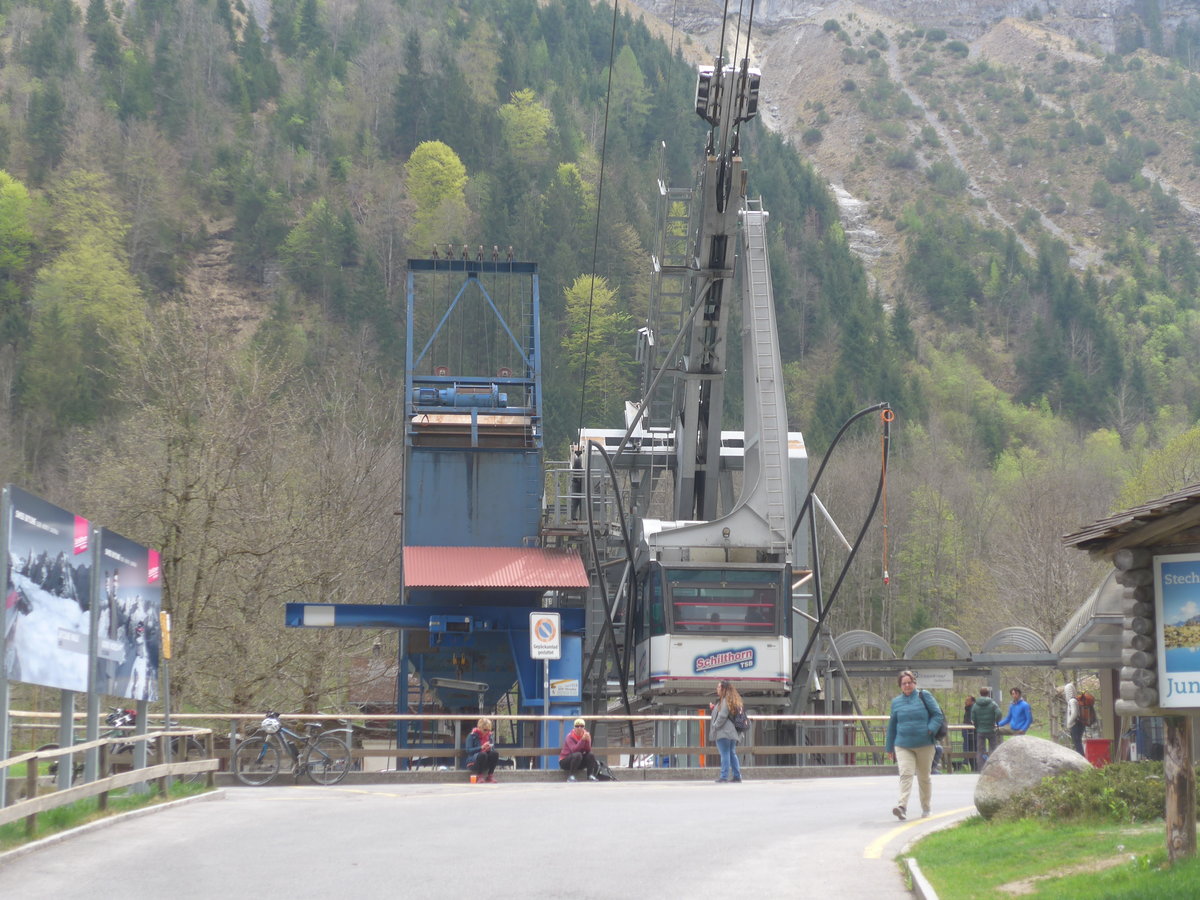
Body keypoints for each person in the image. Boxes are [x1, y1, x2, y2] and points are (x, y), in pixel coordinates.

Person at [885, 670, 942, 820]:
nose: (907, 685)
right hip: (903, 744)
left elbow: (937, 714)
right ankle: (902, 806)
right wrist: (889, 746)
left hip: (925, 744)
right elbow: (892, 724)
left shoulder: (925, 696)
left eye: (909, 682)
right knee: (906, 774)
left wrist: (931, 728)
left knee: (924, 777)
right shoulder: (896, 702)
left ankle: (926, 808)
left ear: (914, 683)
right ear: (900, 686)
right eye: (904, 683)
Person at [709, 680, 743, 783]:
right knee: (732, 753)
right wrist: (714, 708)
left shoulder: (725, 700)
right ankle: (737, 776)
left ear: (723, 689)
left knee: (725, 754)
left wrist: (715, 726)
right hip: (732, 733)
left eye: (719, 687)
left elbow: (723, 715)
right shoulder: (732, 700)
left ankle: (724, 776)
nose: (717, 689)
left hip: (724, 732)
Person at [560, 717, 600, 781]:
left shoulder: (586, 735)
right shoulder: (570, 736)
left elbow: (588, 750)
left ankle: (590, 775)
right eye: (577, 726)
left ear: (584, 727)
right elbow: (574, 750)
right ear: (574, 727)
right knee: (578, 754)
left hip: (578, 760)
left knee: (590, 755)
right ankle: (571, 776)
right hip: (565, 761)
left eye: (581, 726)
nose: (579, 728)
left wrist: (587, 741)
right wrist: (582, 740)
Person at [971, 686, 1002, 764]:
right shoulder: (993, 704)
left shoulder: (975, 705)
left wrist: (977, 726)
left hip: (980, 730)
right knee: (993, 749)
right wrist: (995, 721)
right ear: (988, 694)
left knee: (981, 750)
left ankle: (981, 767)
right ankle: (993, 765)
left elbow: (973, 718)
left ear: (980, 693)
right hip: (991, 729)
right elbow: (999, 713)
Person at [465, 717, 500, 783]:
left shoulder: (489, 736)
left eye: (489, 730)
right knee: (482, 754)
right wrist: (481, 748)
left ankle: (490, 776)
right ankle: (479, 776)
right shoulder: (472, 736)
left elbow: (492, 748)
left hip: (485, 761)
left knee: (495, 753)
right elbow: (468, 750)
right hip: (473, 761)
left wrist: (489, 748)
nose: (487, 732)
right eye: (485, 730)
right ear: (479, 727)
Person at [1064, 682, 1085, 755]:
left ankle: (1081, 758)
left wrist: (1069, 723)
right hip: (1079, 724)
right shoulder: (1075, 700)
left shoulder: (1072, 701)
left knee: (1077, 743)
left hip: (1075, 724)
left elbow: (1074, 713)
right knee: (1077, 743)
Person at [961, 696, 977, 772]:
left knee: (973, 750)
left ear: (972, 702)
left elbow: (971, 720)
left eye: (967, 700)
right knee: (971, 750)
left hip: (972, 734)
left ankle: (975, 768)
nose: (965, 702)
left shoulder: (973, 709)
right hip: (968, 734)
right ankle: (973, 768)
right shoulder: (968, 709)